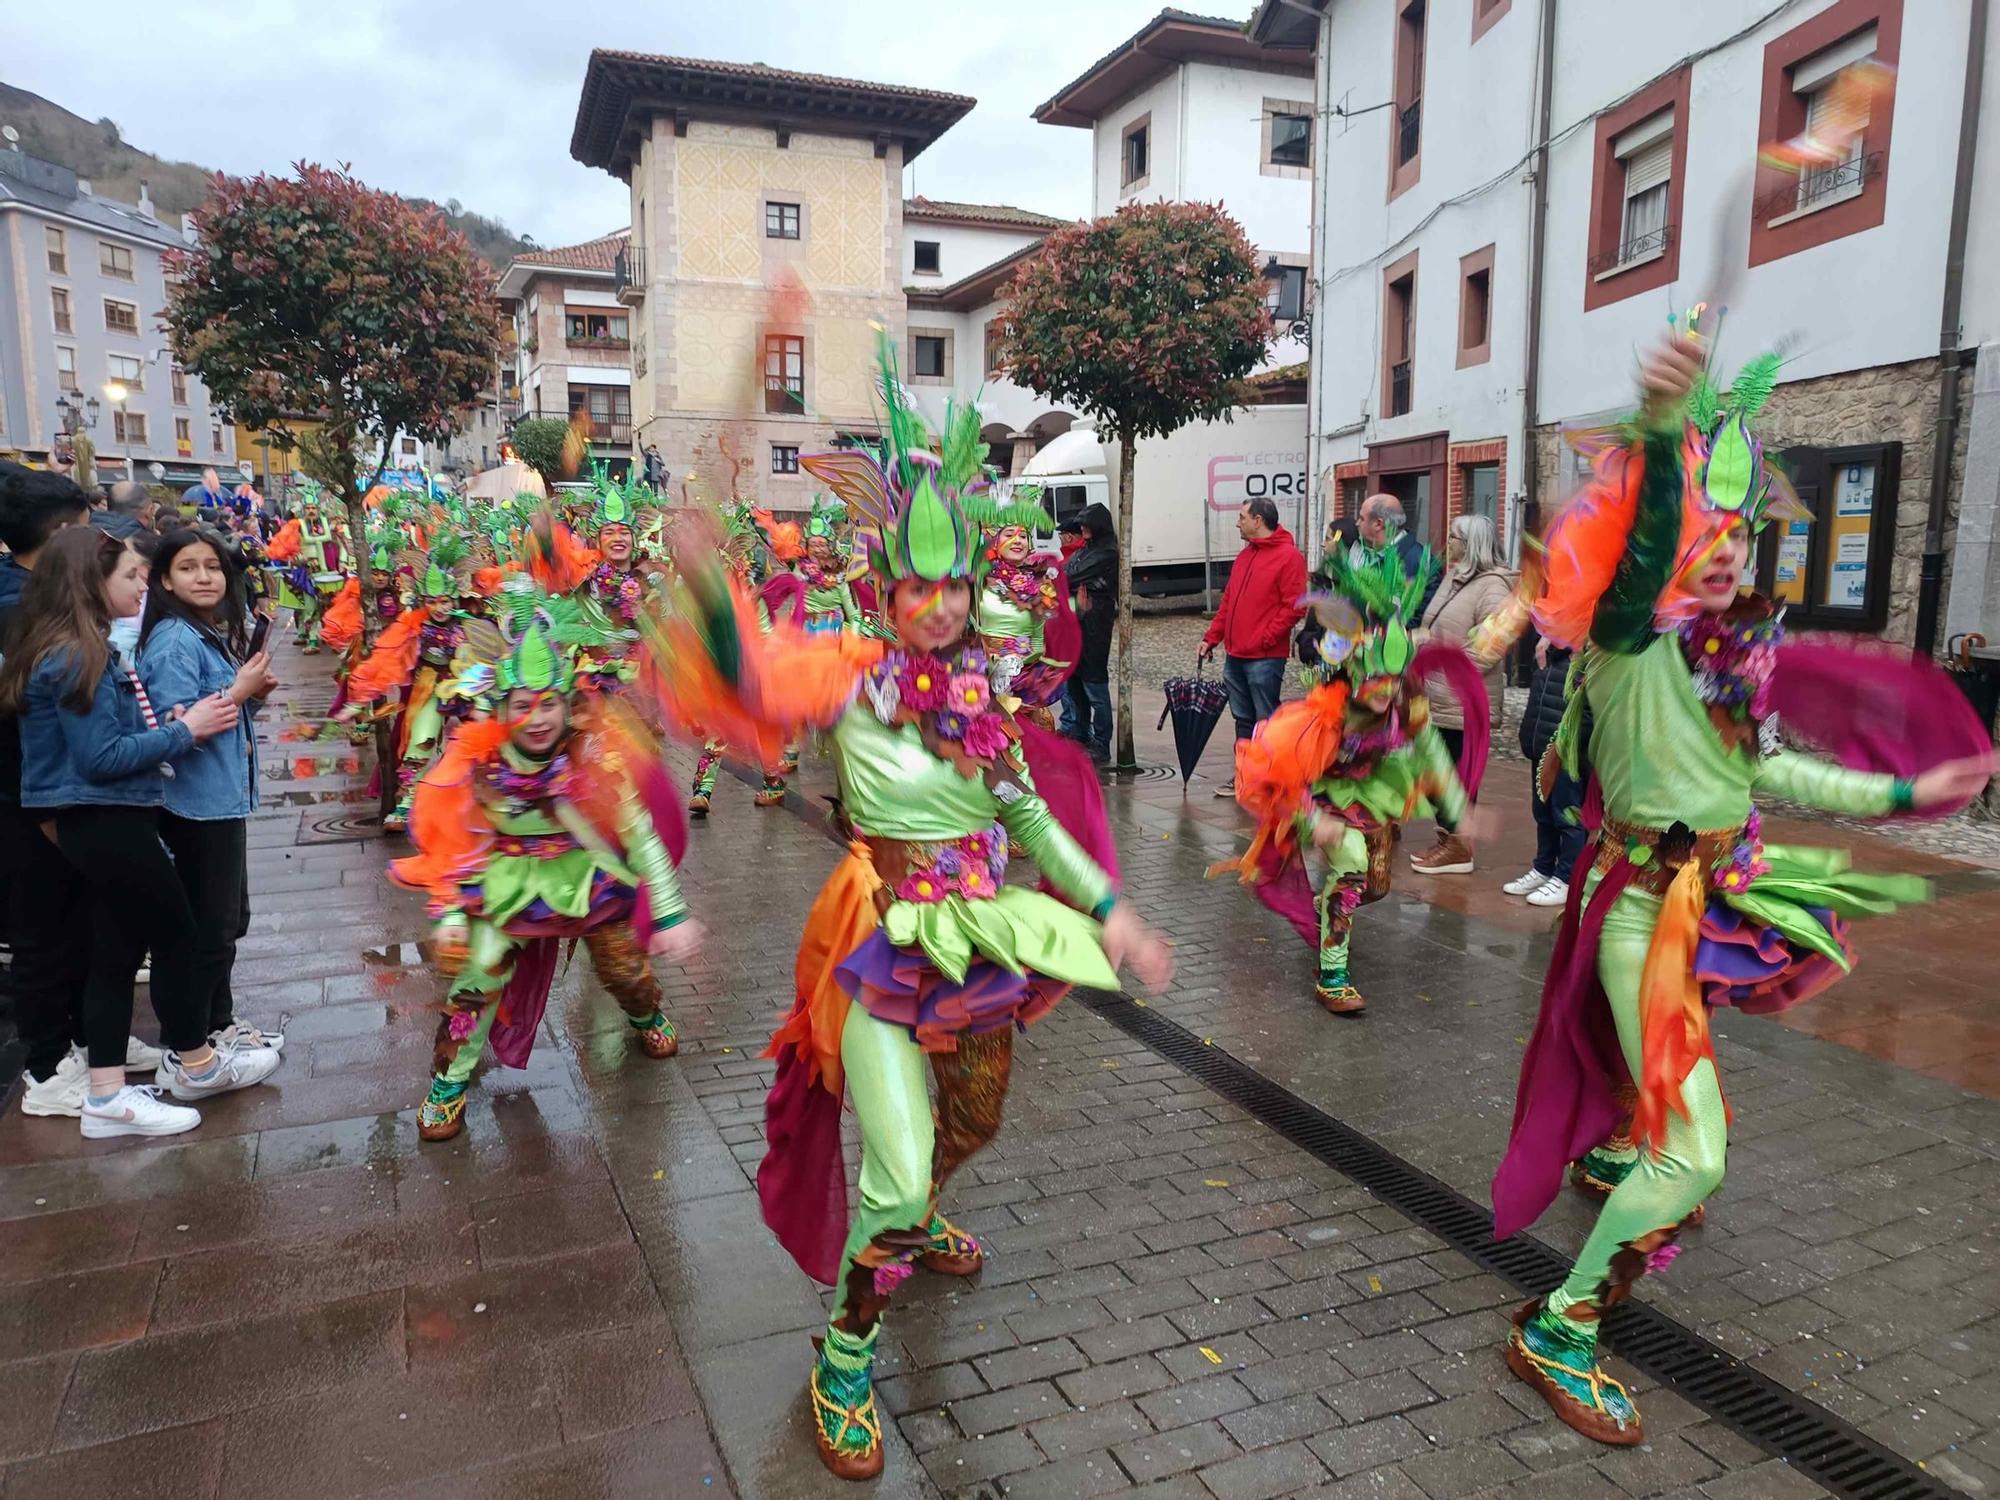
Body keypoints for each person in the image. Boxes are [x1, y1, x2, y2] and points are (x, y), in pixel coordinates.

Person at [653, 350, 1174, 1482]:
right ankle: (844, 1354)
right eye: (914, 587)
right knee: (891, 1170)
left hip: (984, 938)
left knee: (971, 1126)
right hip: (886, 943)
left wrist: (1112, 912)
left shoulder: (987, 690)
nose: (934, 606)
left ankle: (914, 1212)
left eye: (951, 586)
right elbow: (744, 666)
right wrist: (703, 571)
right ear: (885, 591)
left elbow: (1031, 820)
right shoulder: (846, 674)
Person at [1491, 322, 1992, 1447]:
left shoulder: (1724, 662)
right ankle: (1560, 1325)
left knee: (1661, 1111)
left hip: (1715, 900)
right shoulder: (1625, 644)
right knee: (1696, 1151)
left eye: (1739, 530)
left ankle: (1625, 1151)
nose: (1723, 548)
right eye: (1698, 530)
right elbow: (1639, 556)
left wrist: (1911, 790)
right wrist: (1662, 428)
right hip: (1644, 912)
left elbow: (1764, 766)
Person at [389, 584, 700, 1142]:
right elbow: (459, 845)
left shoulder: (594, 758)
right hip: (508, 882)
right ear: (502, 708)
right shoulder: (481, 762)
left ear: (567, 704)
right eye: (522, 706)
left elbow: (641, 836)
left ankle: (645, 1014)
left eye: (548, 703)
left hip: (587, 879)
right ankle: (449, 1082)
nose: (536, 719)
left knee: (623, 971)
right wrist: (452, 913)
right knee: (475, 978)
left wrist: (671, 913)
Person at [0, 528, 279, 1139]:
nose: (141, 586)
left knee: (119, 951)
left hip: (106, 815)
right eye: (132, 575)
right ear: (90, 584)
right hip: (104, 817)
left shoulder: (87, 648)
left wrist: (178, 722)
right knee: (177, 934)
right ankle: (195, 1062)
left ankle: (108, 1093)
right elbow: (101, 756)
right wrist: (186, 729)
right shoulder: (80, 654)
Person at [1212, 543, 1484, 1016]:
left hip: (1374, 797)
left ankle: (1334, 905)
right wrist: (1314, 819)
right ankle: (1332, 975)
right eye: (1377, 682)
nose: (1386, 693)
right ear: (1355, 669)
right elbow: (1281, 773)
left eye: (1394, 682)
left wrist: (1462, 815)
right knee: (1353, 866)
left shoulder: (1406, 699)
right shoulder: (1325, 714)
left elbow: (1432, 753)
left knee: (1374, 885)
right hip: (1321, 795)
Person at [0, 464, 123, 1118]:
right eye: (84, 527)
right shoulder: (22, 609)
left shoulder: (28, 599)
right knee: (44, 931)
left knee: (75, 924)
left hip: (48, 794)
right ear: (60, 535)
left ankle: (86, 1041)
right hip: (30, 799)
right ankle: (49, 1071)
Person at [139, 527, 283, 1054]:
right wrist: (237, 691)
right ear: (165, 581)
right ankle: (192, 1044)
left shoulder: (200, 631)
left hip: (220, 801)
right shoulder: (175, 641)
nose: (205, 577)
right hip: (193, 808)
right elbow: (179, 731)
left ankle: (218, 1025)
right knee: (205, 929)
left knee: (226, 923)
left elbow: (221, 714)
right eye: (188, 567)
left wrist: (251, 697)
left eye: (213, 567)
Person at [1409, 514, 1515, 874]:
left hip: (1463, 699)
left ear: (1471, 545)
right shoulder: (1455, 578)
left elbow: (1491, 645)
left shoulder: (1494, 586)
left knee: (1457, 778)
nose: (1448, 542)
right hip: (1437, 695)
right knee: (1437, 776)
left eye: (1454, 537)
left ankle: (1460, 849)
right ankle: (1448, 840)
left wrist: (1450, 669)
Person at [1200, 497, 1306, 798]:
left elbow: (1294, 607)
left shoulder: (1289, 557)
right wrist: (1211, 638)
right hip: (1235, 654)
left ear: (1258, 520)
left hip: (1264, 657)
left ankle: (1273, 780)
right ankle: (1245, 777)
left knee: (1266, 722)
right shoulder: (1245, 557)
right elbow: (1228, 603)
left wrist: (1265, 638)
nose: (1238, 522)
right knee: (1243, 719)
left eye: (1242, 516)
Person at [1507, 637, 1588, 908]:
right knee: (1542, 811)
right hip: (1542, 743)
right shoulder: (1549, 649)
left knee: (1567, 814)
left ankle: (1566, 877)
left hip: (1569, 750)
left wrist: (1574, 743)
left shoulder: (1585, 654)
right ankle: (1543, 867)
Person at [1059, 501, 1117, 762]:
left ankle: (1101, 742)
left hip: (1095, 626)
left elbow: (1067, 575)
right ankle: (1080, 732)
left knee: (1094, 686)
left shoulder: (1105, 552)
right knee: (1076, 682)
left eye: (1086, 523)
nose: (1082, 527)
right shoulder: (1090, 549)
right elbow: (1067, 573)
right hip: (1078, 624)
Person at [1351, 494, 1440, 622]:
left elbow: (1419, 617)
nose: (1357, 523)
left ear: (1378, 524)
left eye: (1361, 518)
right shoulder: (1368, 554)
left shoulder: (1420, 561)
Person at [1294, 515, 1360, 666]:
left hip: (1338, 647)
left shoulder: (1352, 575)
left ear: (1340, 541)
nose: (1323, 544)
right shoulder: (1326, 569)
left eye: (1328, 539)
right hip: (1319, 641)